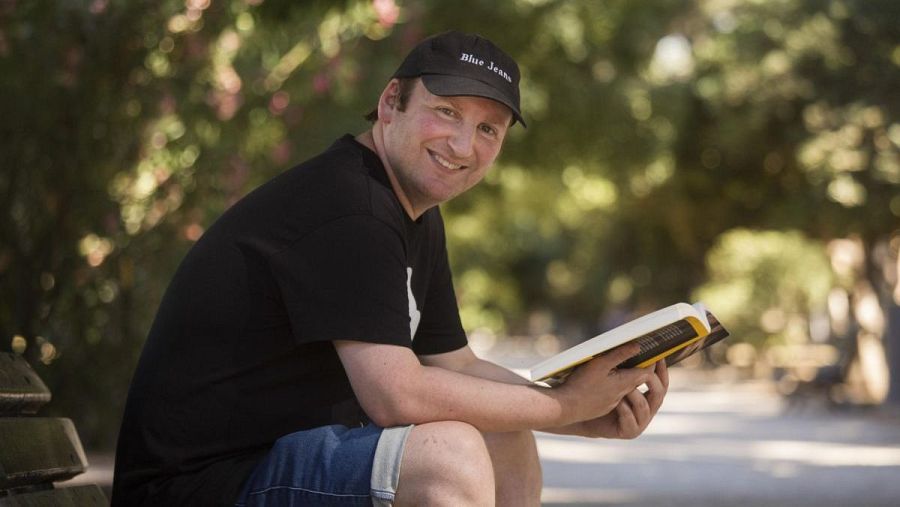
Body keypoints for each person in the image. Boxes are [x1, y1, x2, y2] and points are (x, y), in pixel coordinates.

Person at [111, 30, 669, 507]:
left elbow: (459, 366)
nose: (462, 144)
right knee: (447, 454)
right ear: (390, 103)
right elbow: (396, 397)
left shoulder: (412, 213)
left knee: (505, 431)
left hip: (267, 463)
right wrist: (566, 404)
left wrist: (581, 410)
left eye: (488, 129)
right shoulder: (350, 206)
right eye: (447, 111)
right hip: (199, 487)